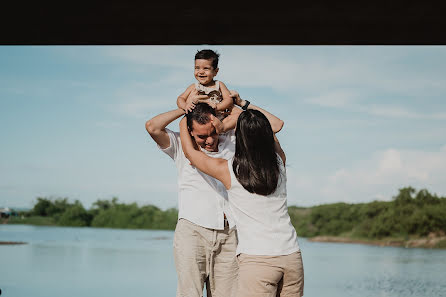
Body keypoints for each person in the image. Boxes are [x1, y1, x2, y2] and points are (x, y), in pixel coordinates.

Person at [179, 94, 304, 297]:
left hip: (258, 261)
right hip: (291, 257)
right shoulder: (279, 163)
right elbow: (275, 125)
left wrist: (186, 117)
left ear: (240, 139)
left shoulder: (229, 171)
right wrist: (241, 104)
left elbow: (191, 154)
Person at [145, 98, 242, 297]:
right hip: (193, 232)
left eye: (213, 133)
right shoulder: (180, 146)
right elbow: (153, 127)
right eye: (201, 136)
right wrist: (183, 111)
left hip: (230, 233)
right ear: (189, 131)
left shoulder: (231, 141)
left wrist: (219, 110)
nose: (209, 140)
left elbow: (243, 116)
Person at [177, 49, 233, 121]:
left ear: (215, 71)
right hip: (197, 121)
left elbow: (228, 100)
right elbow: (180, 99)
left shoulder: (219, 85)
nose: (201, 72)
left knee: (234, 118)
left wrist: (217, 107)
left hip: (217, 120)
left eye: (206, 68)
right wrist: (185, 106)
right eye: (197, 68)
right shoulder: (194, 86)